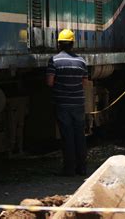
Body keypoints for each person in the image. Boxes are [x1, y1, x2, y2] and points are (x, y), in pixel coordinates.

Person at [46, 29, 88, 176]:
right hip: (78, 104)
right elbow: (84, 83)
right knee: (79, 136)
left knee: (67, 137)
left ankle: (69, 169)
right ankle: (82, 168)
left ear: (59, 44)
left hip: (62, 104)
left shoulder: (54, 60)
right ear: (72, 44)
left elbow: (50, 82)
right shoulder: (81, 61)